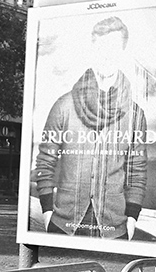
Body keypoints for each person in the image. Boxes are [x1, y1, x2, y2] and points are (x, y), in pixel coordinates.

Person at [34, 15, 148, 240]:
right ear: (93, 49)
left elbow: (137, 168)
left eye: (114, 47)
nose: (107, 54)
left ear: (122, 51)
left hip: (115, 226)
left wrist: (132, 216)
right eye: (102, 47)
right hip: (63, 223)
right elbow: (45, 160)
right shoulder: (64, 105)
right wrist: (47, 210)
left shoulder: (134, 113)